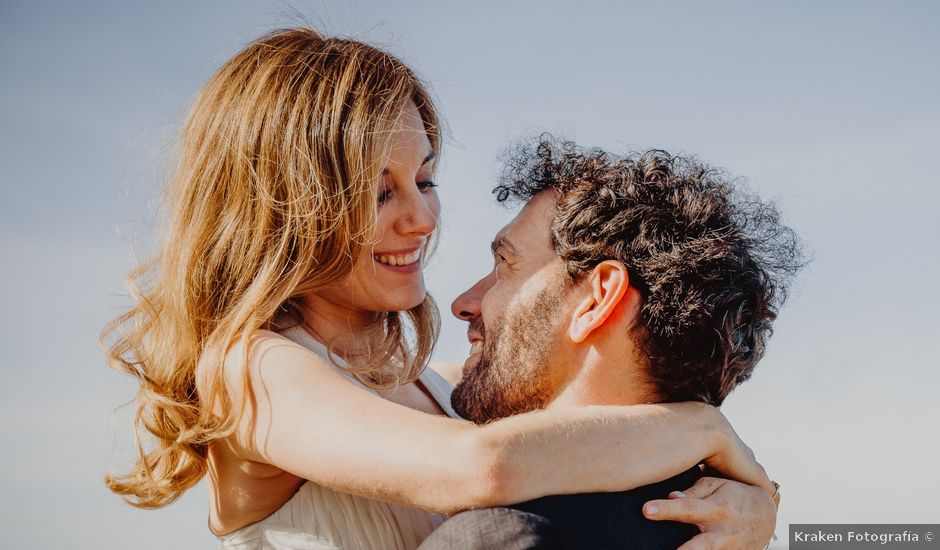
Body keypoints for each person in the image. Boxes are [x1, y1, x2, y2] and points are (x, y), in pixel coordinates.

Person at [102, 28, 776, 550]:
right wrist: (701, 424)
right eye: (377, 189)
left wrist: (754, 504)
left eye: (424, 179)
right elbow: (483, 471)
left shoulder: (443, 390)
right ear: (279, 208)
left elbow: (563, 432)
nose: (421, 218)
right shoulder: (250, 370)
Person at [420, 138, 801, 549]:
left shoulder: (503, 537)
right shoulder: (720, 529)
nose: (464, 303)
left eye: (505, 266)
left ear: (598, 300)